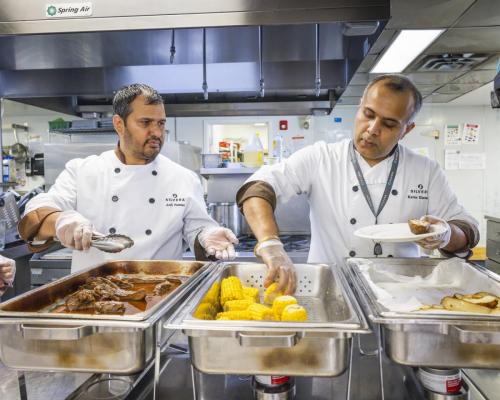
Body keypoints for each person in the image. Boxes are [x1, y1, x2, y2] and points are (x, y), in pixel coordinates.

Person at [237, 74, 479, 294]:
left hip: (404, 294)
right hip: (332, 291)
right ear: (359, 108)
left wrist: (446, 235)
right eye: (368, 114)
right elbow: (258, 187)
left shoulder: (425, 170)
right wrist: (270, 244)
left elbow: (467, 230)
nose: (372, 129)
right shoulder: (321, 158)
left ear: (407, 129)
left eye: (389, 124)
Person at [19, 83, 237, 271]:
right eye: (145, 122)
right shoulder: (84, 171)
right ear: (119, 124)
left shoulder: (184, 179)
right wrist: (62, 222)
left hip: (160, 296)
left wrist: (206, 235)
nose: (157, 132)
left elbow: (197, 229)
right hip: (94, 298)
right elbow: (36, 214)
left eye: (161, 123)